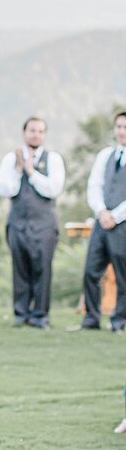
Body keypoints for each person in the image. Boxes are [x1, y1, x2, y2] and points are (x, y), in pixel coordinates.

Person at [0, 117, 65, 328]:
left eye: (40, 131)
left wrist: (31, 172)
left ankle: (40, 315)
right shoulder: (10, 159)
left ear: (44, 135)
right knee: (20, 267)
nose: (36, 134)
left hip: (44, 224)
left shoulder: (53, 159)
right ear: (24, 132)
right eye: (32, 130)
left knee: (42, 268)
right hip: (17, 222)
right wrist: (18, 169)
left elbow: (53, 189)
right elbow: (4, 189)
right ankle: (20, 313)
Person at [79, 110, 126, 332]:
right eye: (119, 126)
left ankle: (119, 320)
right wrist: (101, 212)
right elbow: (94, 185)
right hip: (101, 221)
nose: (122, 131)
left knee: (123, 274)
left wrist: (116, 216)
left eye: (125, 127)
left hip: (123, 223)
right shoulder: (105, 155)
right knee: (91, 271)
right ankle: (91, 318)